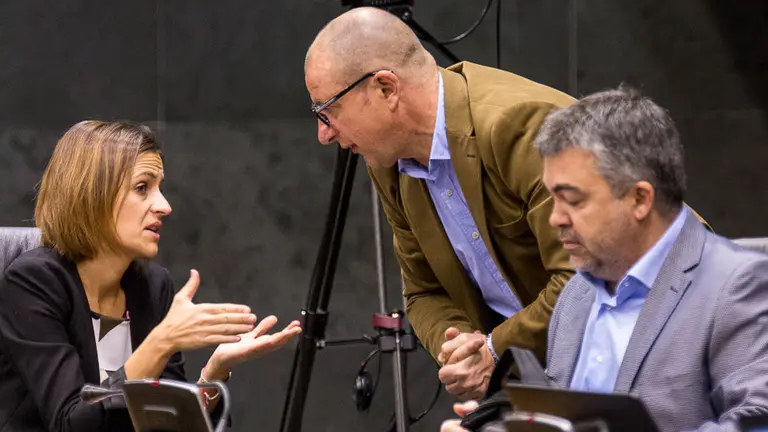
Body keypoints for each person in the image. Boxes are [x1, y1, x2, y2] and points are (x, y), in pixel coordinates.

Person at [442, 86, 768, 431]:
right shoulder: (576, 295)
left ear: (639, 199)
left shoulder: (738, 285)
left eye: (574, 200)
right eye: (553, 199)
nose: (555, 219)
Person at [305, 7, 575, 400]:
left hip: (630, 362)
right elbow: (423, 292)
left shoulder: (519, 125)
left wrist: (493, 350)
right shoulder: (388, 161)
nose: (323, 134)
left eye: (327, 110)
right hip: (528, 378)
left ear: (386, 88)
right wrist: (464, 349)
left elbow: (583, 281)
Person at [0, 121, 302, 432]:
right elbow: (71, 423)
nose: (164, 206)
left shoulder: (153, 286)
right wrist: (162, 341)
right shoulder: (34, 281)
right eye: (142, 187)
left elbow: (166, 422)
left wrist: (213, 373)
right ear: (92, 194)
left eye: (159, 188)